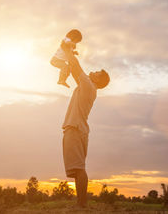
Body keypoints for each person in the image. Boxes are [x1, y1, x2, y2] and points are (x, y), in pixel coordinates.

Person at [60, 37, 110, 208]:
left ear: (98, 80)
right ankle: (81, 204)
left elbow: (76, 67)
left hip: (75, 129)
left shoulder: (89, 85)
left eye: (97, 72)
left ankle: (82, 206)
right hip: (78, 129)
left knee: (79, 169)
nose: (94, 71)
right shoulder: (87, 86)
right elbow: (74, 70)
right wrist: (70, 54)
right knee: (77, 169)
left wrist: (67, 49)